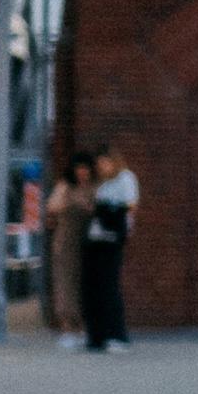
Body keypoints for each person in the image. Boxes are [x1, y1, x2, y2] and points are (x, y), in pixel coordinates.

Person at [81, 143, 138, 351]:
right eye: (98, 164)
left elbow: (130, 206)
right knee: (92, 287)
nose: (101, 167)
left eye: (104, 163)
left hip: (112, 238)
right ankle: (97, 335)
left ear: (113, 161)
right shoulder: (103, 184)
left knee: (108, 287)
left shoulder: (125, 178)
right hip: (96, 237)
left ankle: (116, 334)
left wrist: (108, 211)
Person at [45, 155, 94, 349]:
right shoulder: (65, 186)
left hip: (87, 242)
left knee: (84, 283)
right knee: (64, 284)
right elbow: (51, 207)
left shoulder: (95, 187)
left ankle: (83, 327)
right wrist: (70, 205)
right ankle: (67, 327)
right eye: (79, 168)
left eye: (85, 168)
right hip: (65, 243)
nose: (82, 172)